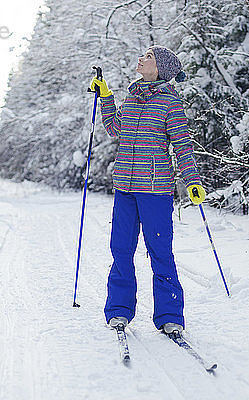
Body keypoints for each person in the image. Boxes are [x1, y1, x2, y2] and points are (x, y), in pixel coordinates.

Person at [89, 46, 206, 334]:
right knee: (121, 250)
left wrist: (191, 180)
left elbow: (182, 144)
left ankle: (169, 315)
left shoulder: (170, 103)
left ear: (160, 69)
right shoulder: (131, 97)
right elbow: (115, 129)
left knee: (161, 253)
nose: (141, 59)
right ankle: (119, 310)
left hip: (156, 190)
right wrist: (105, 96)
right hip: (125, 189)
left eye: (148, 57)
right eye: (143, 55)